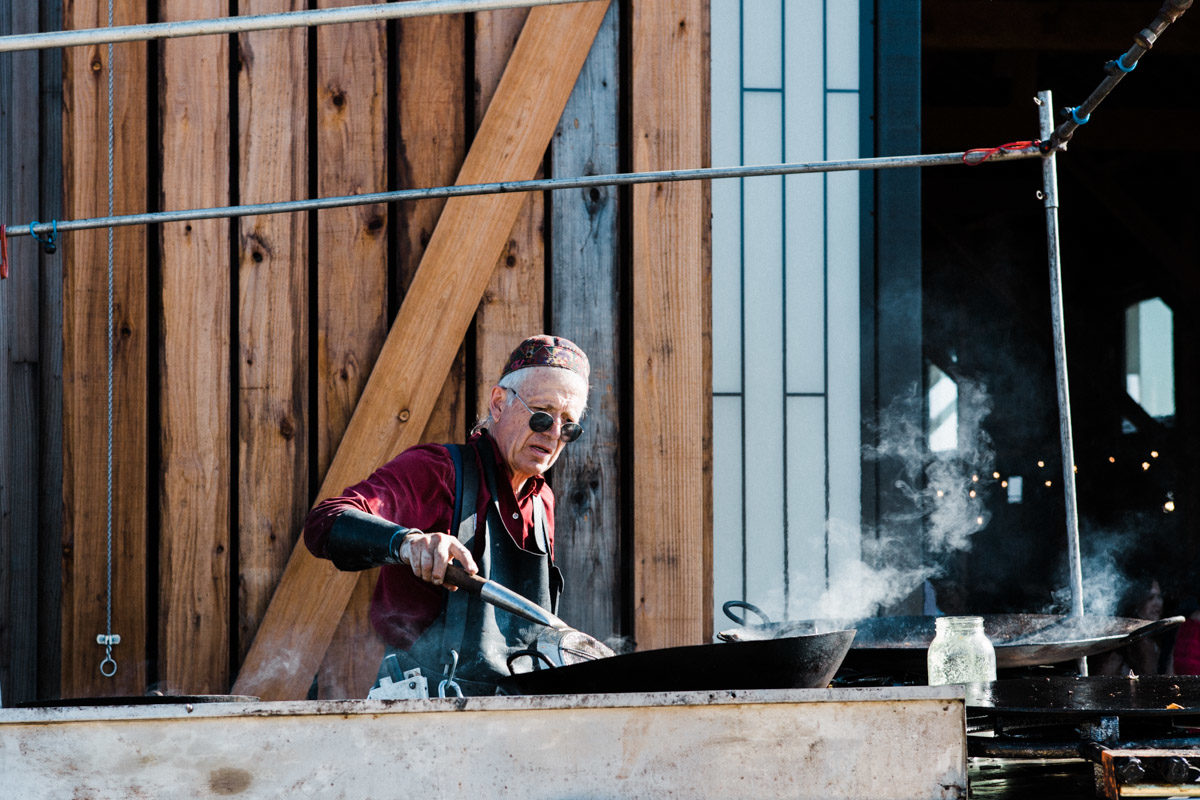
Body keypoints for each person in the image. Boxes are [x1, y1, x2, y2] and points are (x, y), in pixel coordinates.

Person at [303, 334, 589, 695]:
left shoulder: (542, 499)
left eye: (569, 426)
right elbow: (325, 522)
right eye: (542, 416)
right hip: (427, 707)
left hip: (512, 712)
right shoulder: (437, 471)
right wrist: (407, 542)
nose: (553, 435)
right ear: (499, 404)